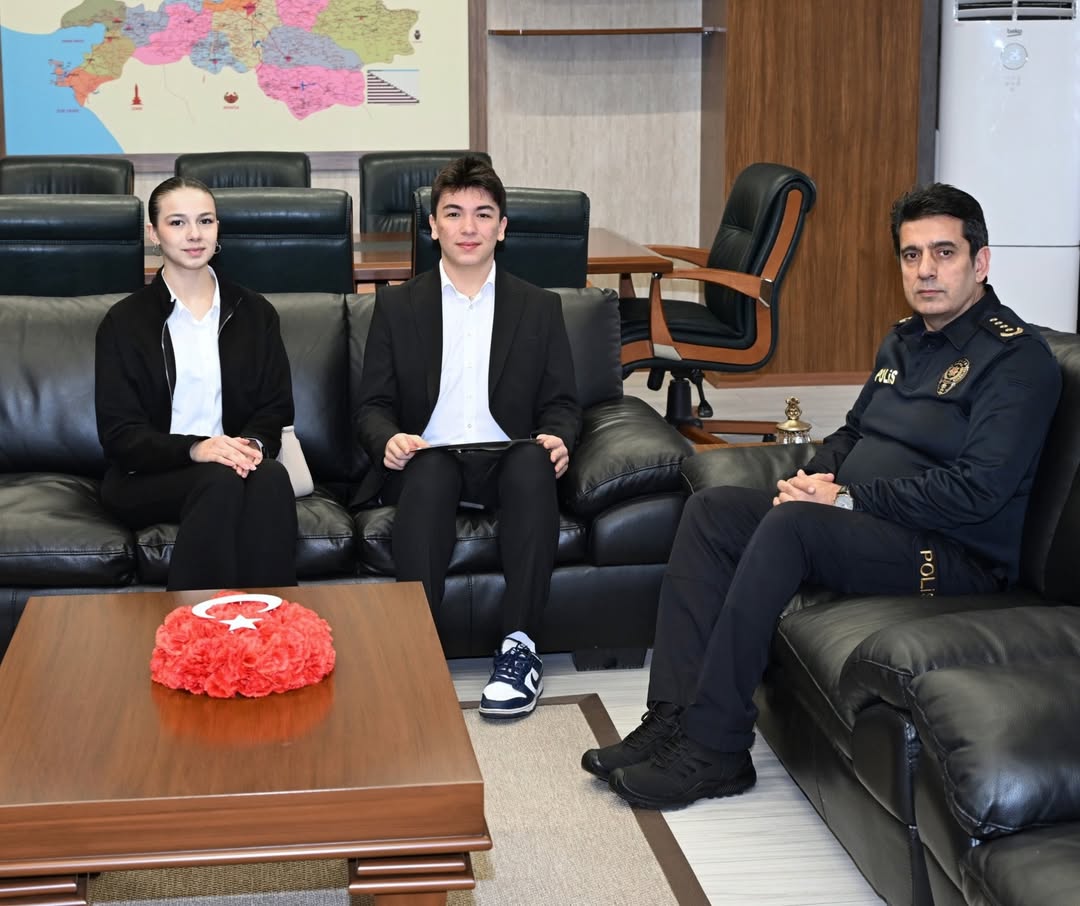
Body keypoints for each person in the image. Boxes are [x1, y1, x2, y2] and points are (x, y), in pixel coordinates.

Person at [581, 183, 1062, 809]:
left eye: (944, 253)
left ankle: (717, 748)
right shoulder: (903, 339)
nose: (925, 270)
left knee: (793, 528)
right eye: (911, 255)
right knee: (713, 510)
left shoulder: (1016, 361)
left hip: (951, 554)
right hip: (874, 524)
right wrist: (812, 478)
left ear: (982, 261)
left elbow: (978, 491)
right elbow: (855, 431)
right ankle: (672, 715)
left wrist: (846, 500)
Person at [356, 155, 580, 718]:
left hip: (508, 456)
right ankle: (417, 648)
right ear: (433, 226)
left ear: (502, 227)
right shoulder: (397, 305)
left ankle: (520, 649)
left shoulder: (539, 307)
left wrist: (558, 437)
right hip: (429, 456)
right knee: (430, 470)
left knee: (531, 463)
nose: (468, 227)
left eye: (483, 214)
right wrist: (388, 439)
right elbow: (373, 405)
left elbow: (561, 403)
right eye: (453, 214)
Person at [95, 176, 297, 591]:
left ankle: (272, 621)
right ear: (153, 233)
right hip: (145, 476)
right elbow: (120, 435)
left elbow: (275, 407)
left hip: (235, 466)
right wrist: (197, 448)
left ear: (218, 228)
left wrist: (247, 448)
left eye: (205, 221)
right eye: (177, 223)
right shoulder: (124, 322)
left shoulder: (255, 312)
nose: (194, 234)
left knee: (272, 477)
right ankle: (195, 626)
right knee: (218, 479)